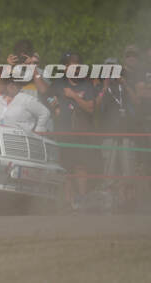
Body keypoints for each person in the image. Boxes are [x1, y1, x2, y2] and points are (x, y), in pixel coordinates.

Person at [50, 51, 96, 209]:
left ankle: (82, 200)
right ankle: (68, 201)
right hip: (63, 131)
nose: (76, 68)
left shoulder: (86, 85)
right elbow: (47, 97)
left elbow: (91, 108)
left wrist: (73, 96)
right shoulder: (58, 84)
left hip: (81, 132)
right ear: (65, 67)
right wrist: (54, 106)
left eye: (78, 64)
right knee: (65, 167)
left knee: (81, 167)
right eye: (71, 64)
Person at [96, 57, 138, 212]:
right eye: (109, 69)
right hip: (108, 134)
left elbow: (136, 102)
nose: (112, 72)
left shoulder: (125, 85)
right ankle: (109, 204)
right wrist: (105, 87)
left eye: (114, 68)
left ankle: (128, 204)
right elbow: (96, 107)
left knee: (128, 172)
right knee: (109, 172)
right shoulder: (100, 86)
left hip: (127, 134)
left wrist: (125, 84)